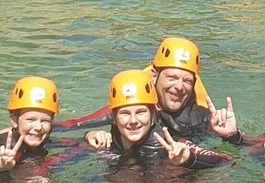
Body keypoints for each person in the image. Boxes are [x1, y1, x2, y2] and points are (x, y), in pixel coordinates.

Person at [82, 37, 246, 148]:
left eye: (187, 81)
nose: (179, 87)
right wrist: (88, 136)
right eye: (172, 77)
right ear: (153, 76)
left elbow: (249, 150)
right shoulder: (133, 108)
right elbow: (66, 128)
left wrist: (232, 136)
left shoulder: (203, 118)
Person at [89, 70, 229, 169]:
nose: (133, 120)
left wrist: (188, 159)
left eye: (141, 112)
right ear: (113, 117)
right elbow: (69, 150)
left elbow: (224, 160)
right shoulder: (106, 141)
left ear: (152, 113)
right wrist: (87, 136)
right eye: (125, 113)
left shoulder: (167, 143)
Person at [0, 76, 61, 179]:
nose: (38, 127)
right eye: (30, 120)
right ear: (14, 120)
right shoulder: (7, 149)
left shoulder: (44, 139)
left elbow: (71, 129)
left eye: (45, 121)